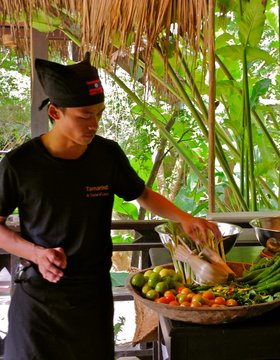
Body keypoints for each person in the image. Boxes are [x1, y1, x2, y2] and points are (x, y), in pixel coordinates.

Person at [0, 53, 221, 360]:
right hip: (39, 301)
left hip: (93, 297)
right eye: (84, 115)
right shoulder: (20, 164)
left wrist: (184, 218)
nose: (94, 124)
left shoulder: (106, 155)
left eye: (99, 114)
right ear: (55, 112)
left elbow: (141, 194)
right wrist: (36, 253)